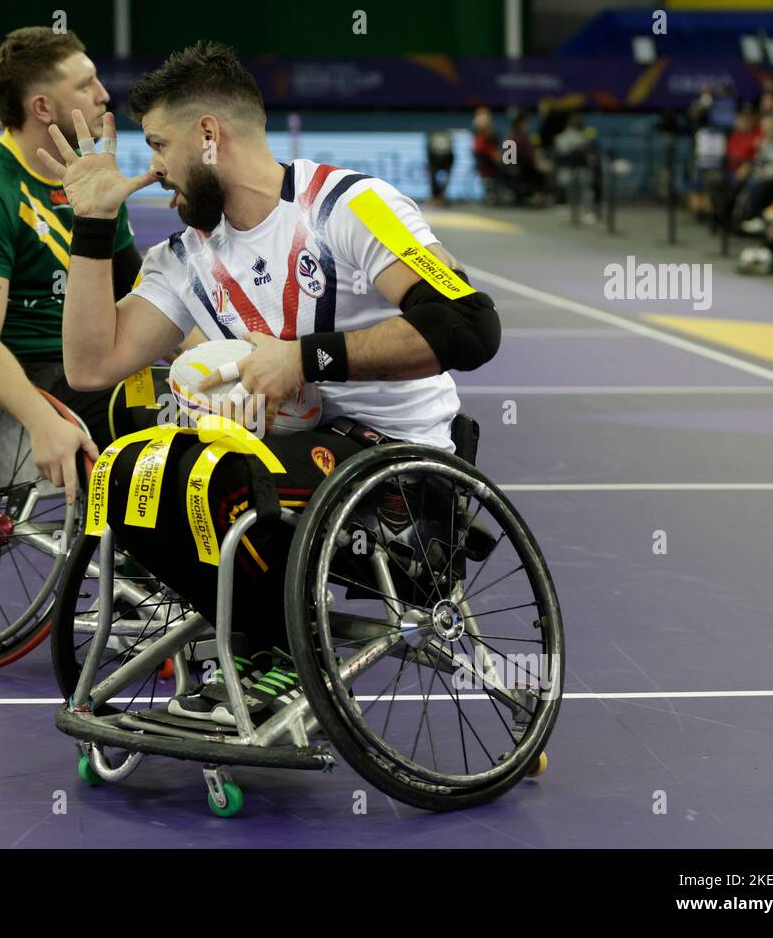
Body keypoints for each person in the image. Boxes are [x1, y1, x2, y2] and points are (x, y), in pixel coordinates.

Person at [36, 42, 501, 724]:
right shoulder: (185, 256)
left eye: (160, 145)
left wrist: (303, 358)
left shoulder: (348, 206)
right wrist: (93, 223)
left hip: (394, 465)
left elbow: (468, 328)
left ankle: (276, 652)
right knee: (128, 474)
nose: (155, 168)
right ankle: (260, 640)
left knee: (213, 480)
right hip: (286, 457)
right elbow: (90, 365)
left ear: (208, 135)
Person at [0, 26, 147, 504]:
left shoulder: (89, 176)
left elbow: (142, 292)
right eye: (85, 85)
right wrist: (43, 420)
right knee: (158, 418)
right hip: (26, 385)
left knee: (195, 399)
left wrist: (216, 358)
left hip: (91, 366)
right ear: (42, 107)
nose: (105, 95)